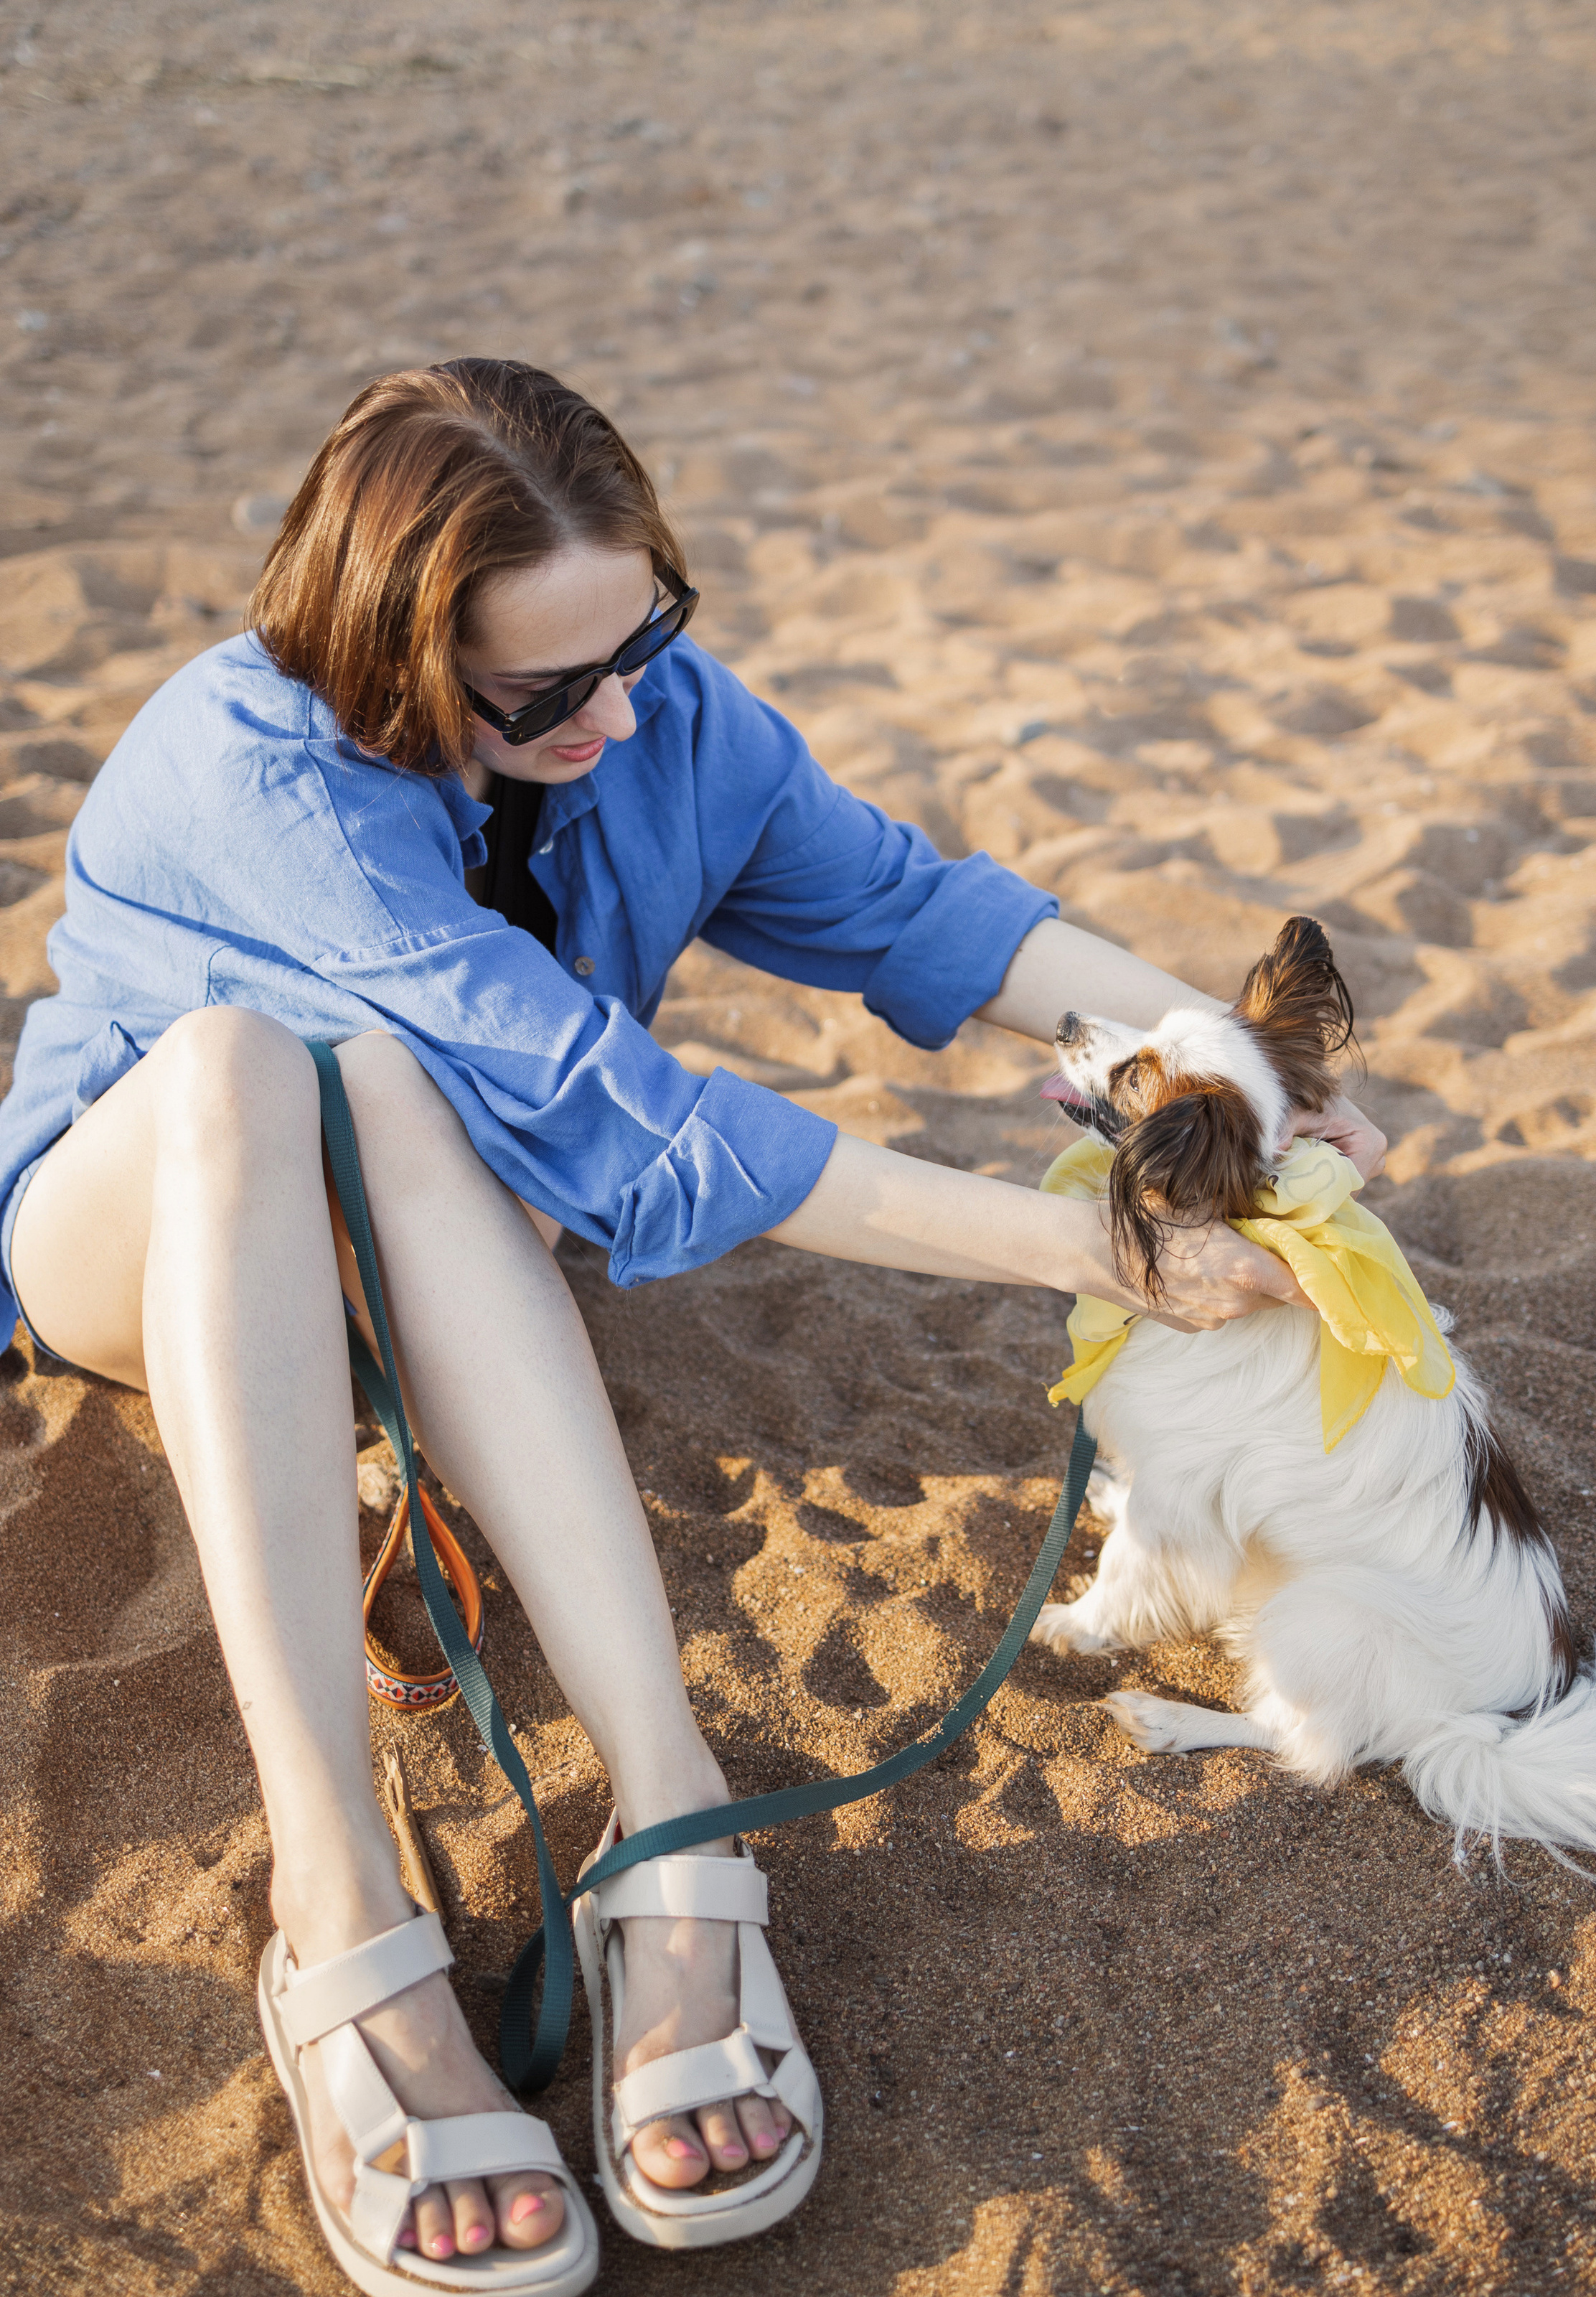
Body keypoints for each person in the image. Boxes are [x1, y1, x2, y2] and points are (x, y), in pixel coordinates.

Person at [0, 360, 1384, 2291]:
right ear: (398, 658)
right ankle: (338, 1908)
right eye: (545, 694)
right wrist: (1098, 1255)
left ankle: (672, 1829)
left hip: (437, 1217)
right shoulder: (256, 771)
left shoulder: (649, 716)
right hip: (149, 1233)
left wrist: (1209, 1063)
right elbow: (626, 1122)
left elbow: (922, 914)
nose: (622, 715)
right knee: (265, 1065)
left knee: (394, 1091)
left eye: (645, 638)